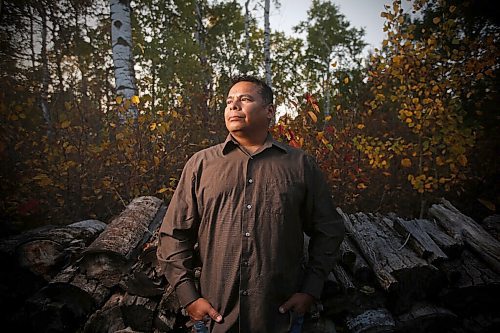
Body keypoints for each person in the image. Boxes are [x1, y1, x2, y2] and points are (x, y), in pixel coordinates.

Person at [157, 75, 345, 333]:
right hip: (215, 320)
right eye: (229, 101)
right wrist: (188, 295)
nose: (233, 106)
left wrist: (311, 290)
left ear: (269, 111)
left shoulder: (301, 165)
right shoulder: (200, 165)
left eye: (244, 99)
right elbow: (173, 234)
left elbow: (329, 229)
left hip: (280, 320)